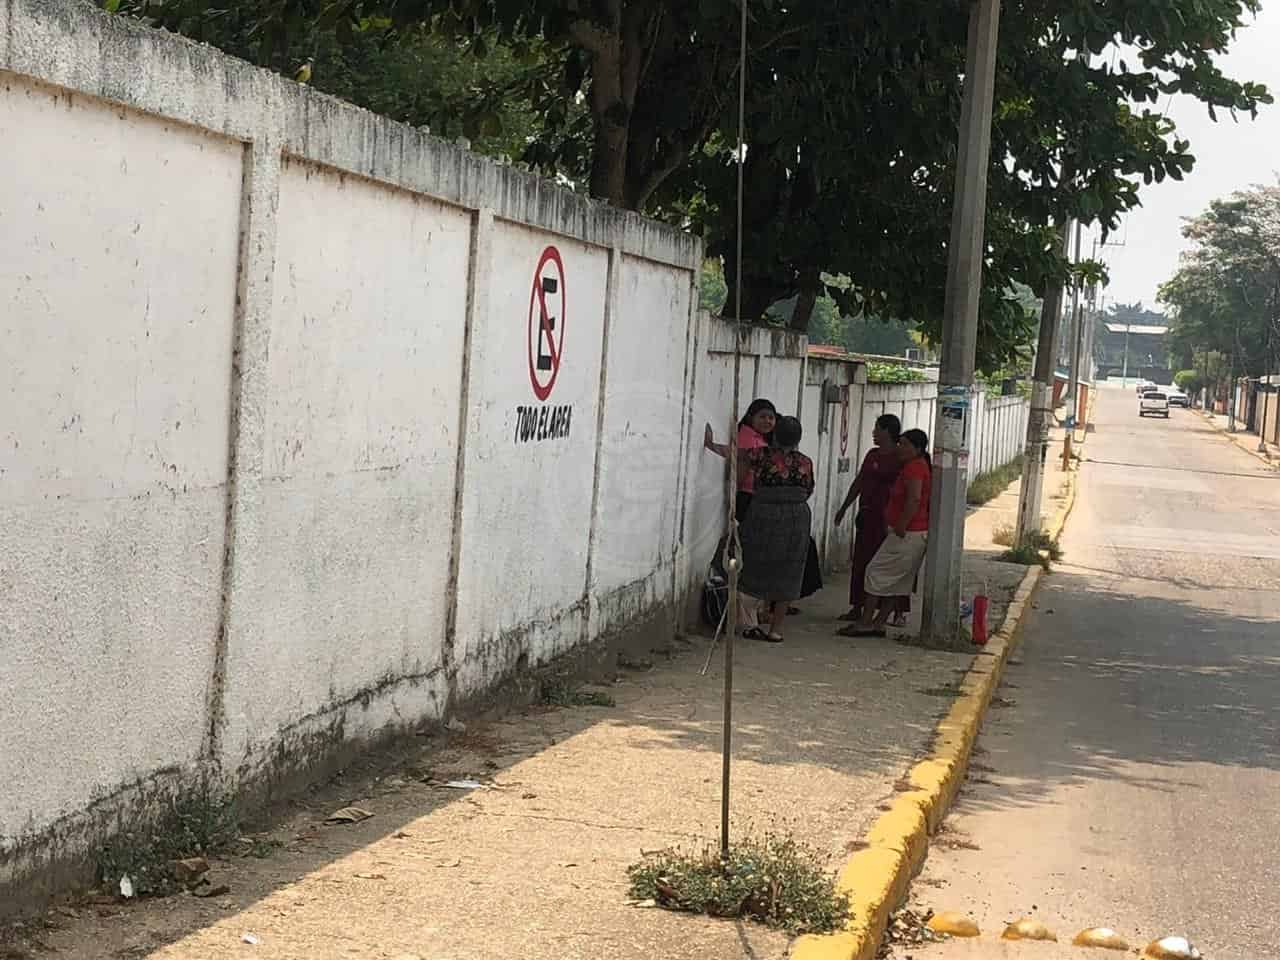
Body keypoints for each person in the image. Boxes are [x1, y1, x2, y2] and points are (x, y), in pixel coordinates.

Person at [842, 428, 932, 638]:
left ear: (917, 449)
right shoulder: (913, 466)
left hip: (907, 532)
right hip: (911, 532)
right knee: (897, 582)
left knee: (874, 572)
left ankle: (866, 622)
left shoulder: (914, 468)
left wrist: (901, 524)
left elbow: (914, 499)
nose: (900, 448)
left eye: (905, 444)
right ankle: (878, 623)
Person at [736, 416, 815, 643]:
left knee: (753, 562)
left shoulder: (759, 455)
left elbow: (737, 459)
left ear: (775, 434)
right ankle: (776, 629)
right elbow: (809, 489)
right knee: (790, 569)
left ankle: (749, 621)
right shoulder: (806, 462)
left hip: (763, 512)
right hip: (796, 516)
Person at [833, 414, 911, 628]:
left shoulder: (900, 456)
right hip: (868, 514)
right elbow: (859, 481)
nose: (874, 433)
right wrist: (844, 507)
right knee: (862, 561)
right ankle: (857, 606)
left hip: (890, 517)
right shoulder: (872, 454)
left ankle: (897, 611)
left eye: (877, 429)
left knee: (891, 565)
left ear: (887, 431)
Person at [704, 398, 777, 520]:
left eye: (771, 418)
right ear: (750, 418)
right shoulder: (748, 437)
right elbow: (737, 454)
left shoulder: (758, 437)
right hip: (748, 497)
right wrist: (711, 445)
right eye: (762, 417)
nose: (767, 421)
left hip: (752, 497)